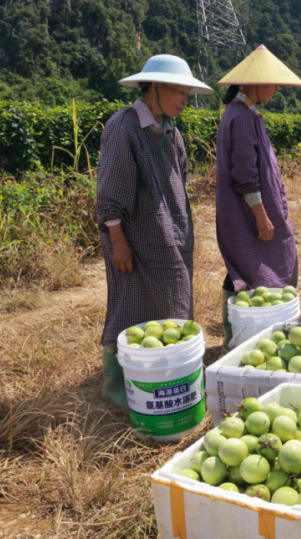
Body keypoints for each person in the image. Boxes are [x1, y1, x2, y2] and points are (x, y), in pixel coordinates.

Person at [96, 54, 212, 407]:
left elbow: (178, 178)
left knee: (173, 298)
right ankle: (117, 387)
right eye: (179, 92)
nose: (184, 100)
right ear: (156, 88)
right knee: (130, 304)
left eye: (187, 94)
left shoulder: (169, 129)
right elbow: (111, 190)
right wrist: (118, 241)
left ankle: (163, 373)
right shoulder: (124, 127)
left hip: (168, 233)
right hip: (135, 236)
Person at [214, 45, 301, 348]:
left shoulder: (247, 113)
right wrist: (262, 216)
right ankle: (243, 334)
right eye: (274, 83)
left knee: (245, 267)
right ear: (254, 83)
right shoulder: (239, 116)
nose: (277, 89)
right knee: (251, 267)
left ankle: (241, 332)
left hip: (254, 210)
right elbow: (244, 172)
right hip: (246, 213)